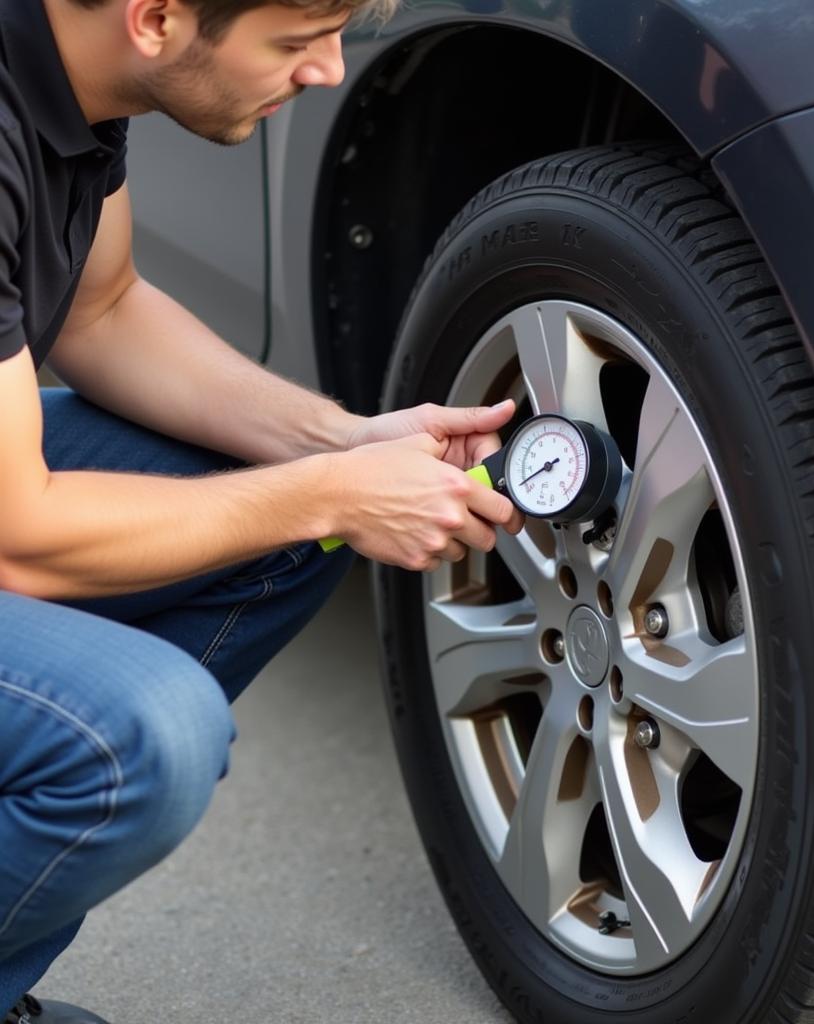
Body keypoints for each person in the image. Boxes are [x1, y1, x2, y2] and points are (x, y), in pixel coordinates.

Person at [0, 1, 522, 1020]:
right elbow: (22, 536)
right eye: (295, 42)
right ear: (155, 18)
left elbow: (103, 310)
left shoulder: (72, 69)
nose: (330, 71)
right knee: (143, 738)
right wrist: (321, 493)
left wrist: (342, 446)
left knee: (291, 537)